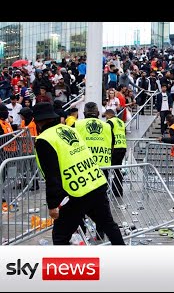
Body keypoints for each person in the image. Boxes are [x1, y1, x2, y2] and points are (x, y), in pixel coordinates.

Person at [32, 102, 124, 245]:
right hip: (95, 183)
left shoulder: (44, 139)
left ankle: (64, 266)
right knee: (109, 225)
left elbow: (52, 175)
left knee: (60, 237)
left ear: (38, 122)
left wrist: (53, 205)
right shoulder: (69, 130)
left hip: (75, 192)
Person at [74, 102, 113, 178]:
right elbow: (113, 145)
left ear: (84, 113)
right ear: (98, 113)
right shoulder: (107, 126)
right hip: (103, 167)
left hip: (83, 167)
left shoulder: (76, 125)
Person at [105, 109, 127, 197]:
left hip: (114, 148)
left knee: (107, 169)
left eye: (106, 116)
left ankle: (107, 190)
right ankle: (118, 191)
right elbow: (124, 133)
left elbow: (107, 134)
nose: (106, 118)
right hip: (122, 147)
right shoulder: (121, 122)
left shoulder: (110, 122)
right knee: (117, 170)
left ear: (108, 115)